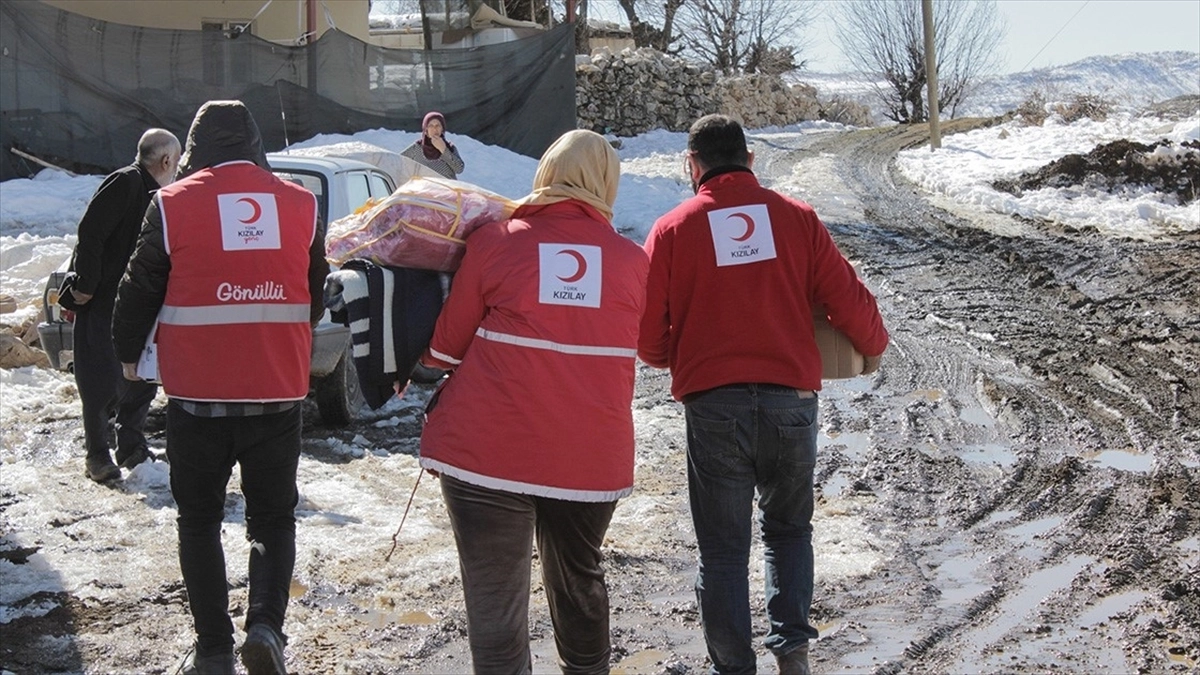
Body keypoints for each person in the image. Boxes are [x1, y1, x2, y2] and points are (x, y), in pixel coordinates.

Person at [637, 114, 889, 675]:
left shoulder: (672, 229)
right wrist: (873, 344)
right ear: (750, 161)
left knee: (724, 551)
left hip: (714, 405)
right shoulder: (796, 218)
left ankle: (734, 668)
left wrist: (675, 356)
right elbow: (846, 298)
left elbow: (647, 335)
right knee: (789, 531)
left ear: (692, 165)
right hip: (791, 402)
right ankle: (793, 654)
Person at [418, 129, 649, 674]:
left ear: (545, 173)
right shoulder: (632, 262)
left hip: (486, 450)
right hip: (588, 455)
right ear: (606, 185)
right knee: (578, 576)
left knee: (495, 596)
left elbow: (443, 348)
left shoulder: (497, 241)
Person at [112, 100, 329, 675]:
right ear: (255, 144)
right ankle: (265, 628)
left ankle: (212, 648)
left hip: (197, 396)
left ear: (195, 147)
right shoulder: (302, 205)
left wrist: (129, 356)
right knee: (273, 518)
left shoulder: (173, 205)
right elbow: (316, 292)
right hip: (277, 392)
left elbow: (139, 287)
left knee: (200, 520)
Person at [69, 128, 180, 482]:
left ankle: (131, 445)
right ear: (166, 160)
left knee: (142, 378)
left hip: (143, 303)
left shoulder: (163, 195)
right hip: (105, 302)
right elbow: (91, 233)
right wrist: (85, 285)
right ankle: (97, 455)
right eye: (176, 162)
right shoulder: (125, 183)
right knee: (102, 380)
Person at [400, 111, 465, 179]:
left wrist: (443, 149)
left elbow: (459, 169)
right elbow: (397, 161)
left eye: (438, 125)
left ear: (442, 129)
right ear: (426, 130)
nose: (434, 129)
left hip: (445, 189)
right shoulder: (417, 148)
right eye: (431, 126)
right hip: (424, 188)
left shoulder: (450, 148)